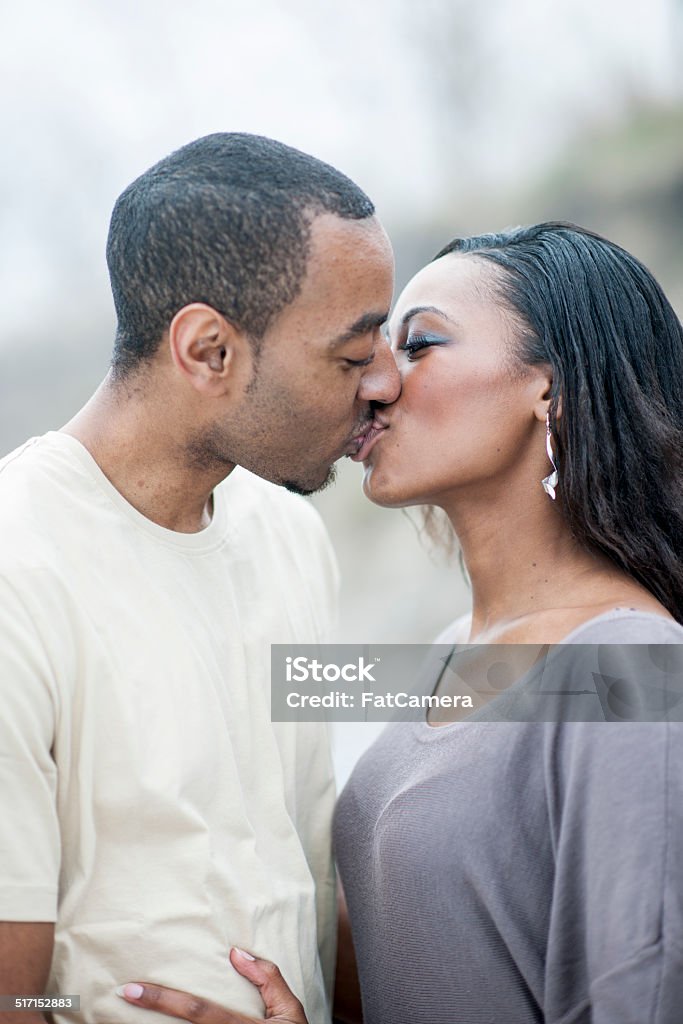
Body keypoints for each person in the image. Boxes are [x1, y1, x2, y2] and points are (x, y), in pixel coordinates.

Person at [120, 222, 683, 1023]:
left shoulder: (631, 666)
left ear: (550, 391)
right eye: (372, 352)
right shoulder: (456, 649)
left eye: (419, 346)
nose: (374, 383)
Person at [0, 132, 400, 1024]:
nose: (383, 382)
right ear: (209, 351)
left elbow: (301, 866)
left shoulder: (291, 538)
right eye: (349, 355)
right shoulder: (15, 573)